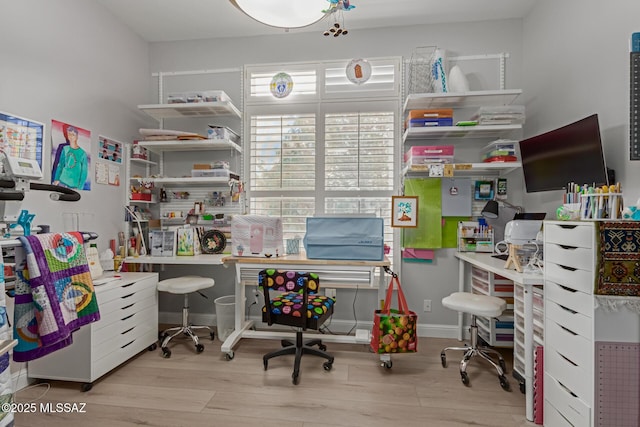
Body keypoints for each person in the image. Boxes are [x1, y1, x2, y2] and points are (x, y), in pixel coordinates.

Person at [53, 125, 88, 190]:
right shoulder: (65, 149)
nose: (71, 137)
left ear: (77, 136)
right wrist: (56, 179)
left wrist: (80, 188)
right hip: (62, 183)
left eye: (73, 135)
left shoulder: (82, 153)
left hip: (74, 186)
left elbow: (84, 173)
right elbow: (60, 165)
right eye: (69, 134)